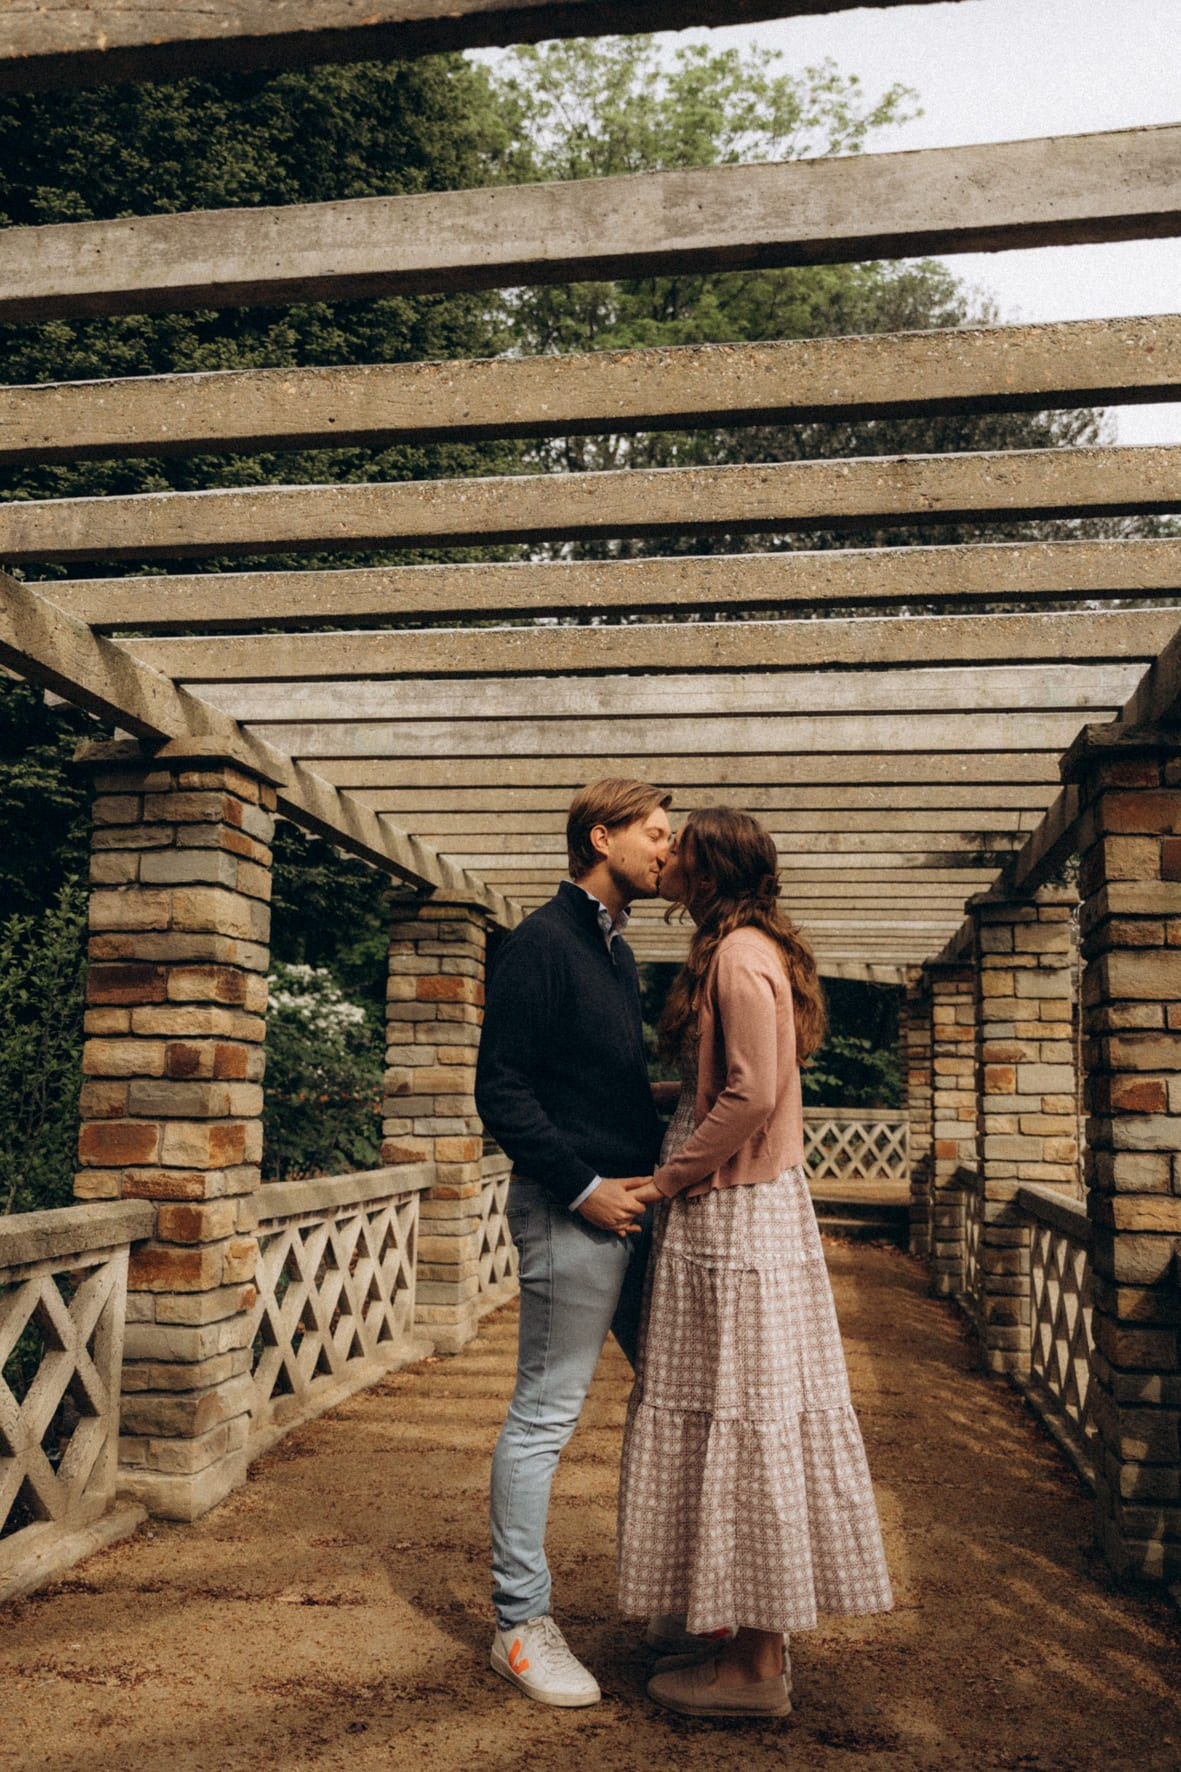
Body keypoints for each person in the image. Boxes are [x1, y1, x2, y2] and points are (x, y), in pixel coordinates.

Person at [617, 806, 893, 1720]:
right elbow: (728, 1083)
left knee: (745, 1412)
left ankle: (754, 1669)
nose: (665, 859)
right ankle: (729, 1625)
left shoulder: (737, 956)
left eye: (680, 850)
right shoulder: (745, 947)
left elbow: (751, 1093)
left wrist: (667, 1180)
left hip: (729, 1212)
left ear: (711, 869)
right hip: (737, 1209)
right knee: (736, 1409)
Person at [475, 777, 672, 1708]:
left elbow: (603, 1089)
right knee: (544, 1417)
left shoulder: (615, 951)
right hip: (570, 1210)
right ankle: (519, 1624)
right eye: (656, 833)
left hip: (634, 1213)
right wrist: (586, 1189)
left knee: (681, 1391)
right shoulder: (540, 944)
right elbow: (501, 1091)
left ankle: (686, 1600)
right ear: (604, 836)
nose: (669, 850)